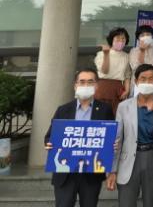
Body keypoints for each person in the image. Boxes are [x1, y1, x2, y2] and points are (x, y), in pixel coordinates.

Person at [44, 68, 115, 207]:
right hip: (65, 174)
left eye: (90, 82)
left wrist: (112, 144)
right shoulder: (63, 110)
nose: (86, 85)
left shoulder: (105, 110)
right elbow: (49, 137)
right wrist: (49, 144)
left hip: (91, 174)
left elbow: (110, 137)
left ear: (96, 85)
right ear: (75, 85)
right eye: (82, 82)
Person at [107, 64, 153, 207]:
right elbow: (117, 139)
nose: (147, 82)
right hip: (128, 159)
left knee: (151, 203)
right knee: (126, 203)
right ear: (136, 81)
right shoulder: (124, 106)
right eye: (143, 79)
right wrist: (112, 170)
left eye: (151, 79)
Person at [94, 27, 132, 116]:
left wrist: (127, 90)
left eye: (123, 39)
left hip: (118, 88)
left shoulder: (126, 56)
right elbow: (104, 71)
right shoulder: (101, 54)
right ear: (112, 40)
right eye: (117, 39)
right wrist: (106, 55)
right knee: (100, 114)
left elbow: (127, 75)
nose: (121, 41)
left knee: (116, 114)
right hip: (103, 87)